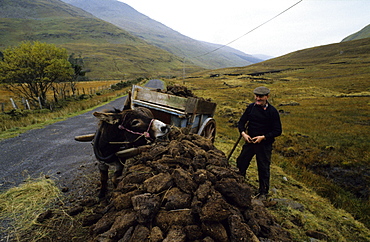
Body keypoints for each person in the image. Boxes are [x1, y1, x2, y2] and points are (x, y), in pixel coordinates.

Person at [236, 86, 282, 198]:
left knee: (263, 167)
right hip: (250, 141)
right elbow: (241, 123)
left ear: (267, 97)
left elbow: (277, 130)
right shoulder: (251, 108)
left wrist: (264, 137)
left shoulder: (272, 111)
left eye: (260, 96)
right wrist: (244, 134)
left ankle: (263, 192)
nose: (258, 98)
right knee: (241, 161)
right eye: (256, 96)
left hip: (264, 144)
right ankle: (239, 182)